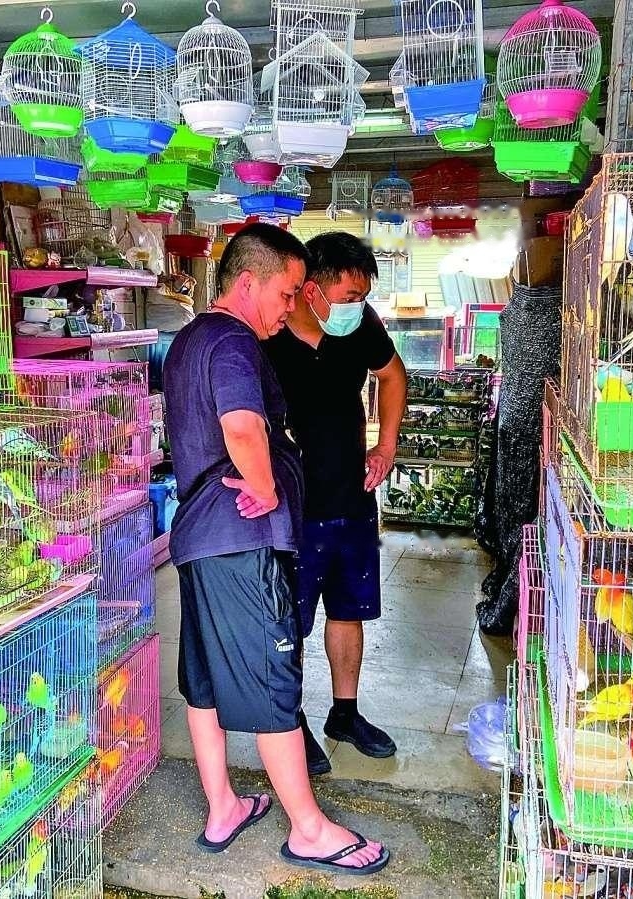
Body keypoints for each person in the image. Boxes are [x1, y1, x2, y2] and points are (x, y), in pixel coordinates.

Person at [163, 222, 389, 875]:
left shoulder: (189, 340)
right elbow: (241, 425)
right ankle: (309, 830)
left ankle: (223, 807)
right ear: (247, 282)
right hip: (240, 539)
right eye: (287, 293)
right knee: (272, 681)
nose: (291, 307)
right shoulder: (234, 341)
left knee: (205, 682)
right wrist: (265, 487)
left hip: (199, 539)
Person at [264, 231, 407, 776]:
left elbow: (392, 374)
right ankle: (290, 719)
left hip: (353, 495)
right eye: (350, 296)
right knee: (291, 619)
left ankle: (344, 714)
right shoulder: (269, 334)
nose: (358, 306)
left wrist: (386, 445)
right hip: (292, 506)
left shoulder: (360, 325)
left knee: (350, 609)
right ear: (311, 291)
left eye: (363, 297)